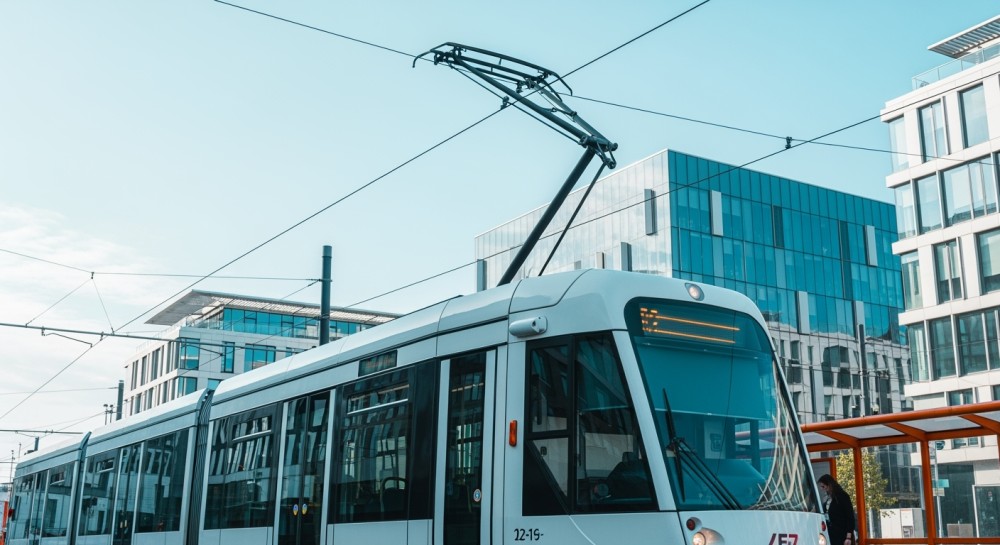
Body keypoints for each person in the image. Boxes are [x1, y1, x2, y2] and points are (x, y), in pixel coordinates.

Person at [818, 474, 856, 545]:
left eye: (823, 486)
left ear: (829, 485)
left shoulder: (842, 496)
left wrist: (848, 537)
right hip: (830, 533)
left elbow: (850, 517)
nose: (822, 489)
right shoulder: (827, 498)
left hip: (842, 534)